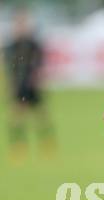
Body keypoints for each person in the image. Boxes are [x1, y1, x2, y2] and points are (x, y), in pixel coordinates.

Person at [2, 9, 55, 162]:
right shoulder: (11, 46)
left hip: (33, 86)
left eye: (24, 23)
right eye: (19, 23)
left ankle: (47, 145)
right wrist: (9, 86)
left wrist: (40, 82)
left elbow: (40, 66)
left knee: (42, 118)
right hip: (19, 87)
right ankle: (19, 147)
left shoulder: (34, 45)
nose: (22, 26)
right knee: (16, 119)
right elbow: (8, 68)